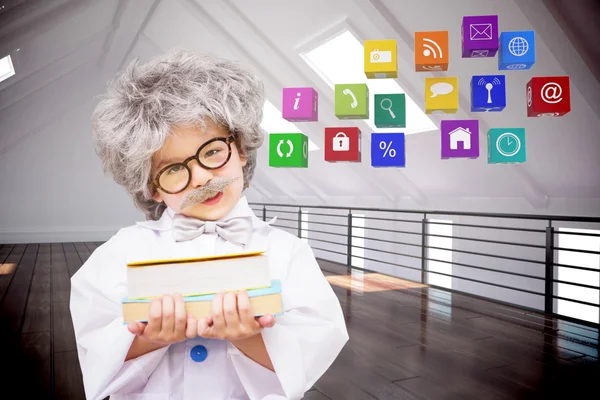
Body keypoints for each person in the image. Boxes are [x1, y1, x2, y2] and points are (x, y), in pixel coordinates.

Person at [69, 48, 349, 400]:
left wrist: (248, 335)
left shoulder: (289, 253)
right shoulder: (117, 254)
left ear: (242, 149)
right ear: (152, 189)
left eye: (213, 151)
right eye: (173, 169)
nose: (201, 178)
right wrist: (148, 337)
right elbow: (96, 347)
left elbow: (313, 346)